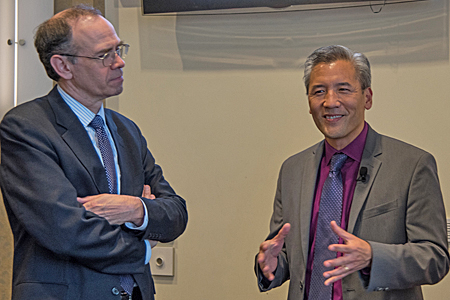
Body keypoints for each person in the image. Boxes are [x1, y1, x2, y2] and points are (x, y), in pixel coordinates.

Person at [0, 5, 187, 300]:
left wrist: (134, 209)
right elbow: (66, 230)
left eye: (119, 49)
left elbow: (175, 213)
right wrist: (144, 249)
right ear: (63, 66)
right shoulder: (26, 127)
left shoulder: (126, 130)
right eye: (105, 55)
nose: (119, 62)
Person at [255, 45, 449, 300]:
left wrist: (372, 257)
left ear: (367, 97)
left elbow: (435, 258)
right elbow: (290, 255)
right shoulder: (292, 169)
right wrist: (271, 266)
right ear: (309, 103)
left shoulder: (413, 165)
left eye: (343, 89)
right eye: (319, 91)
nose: (330, 102)